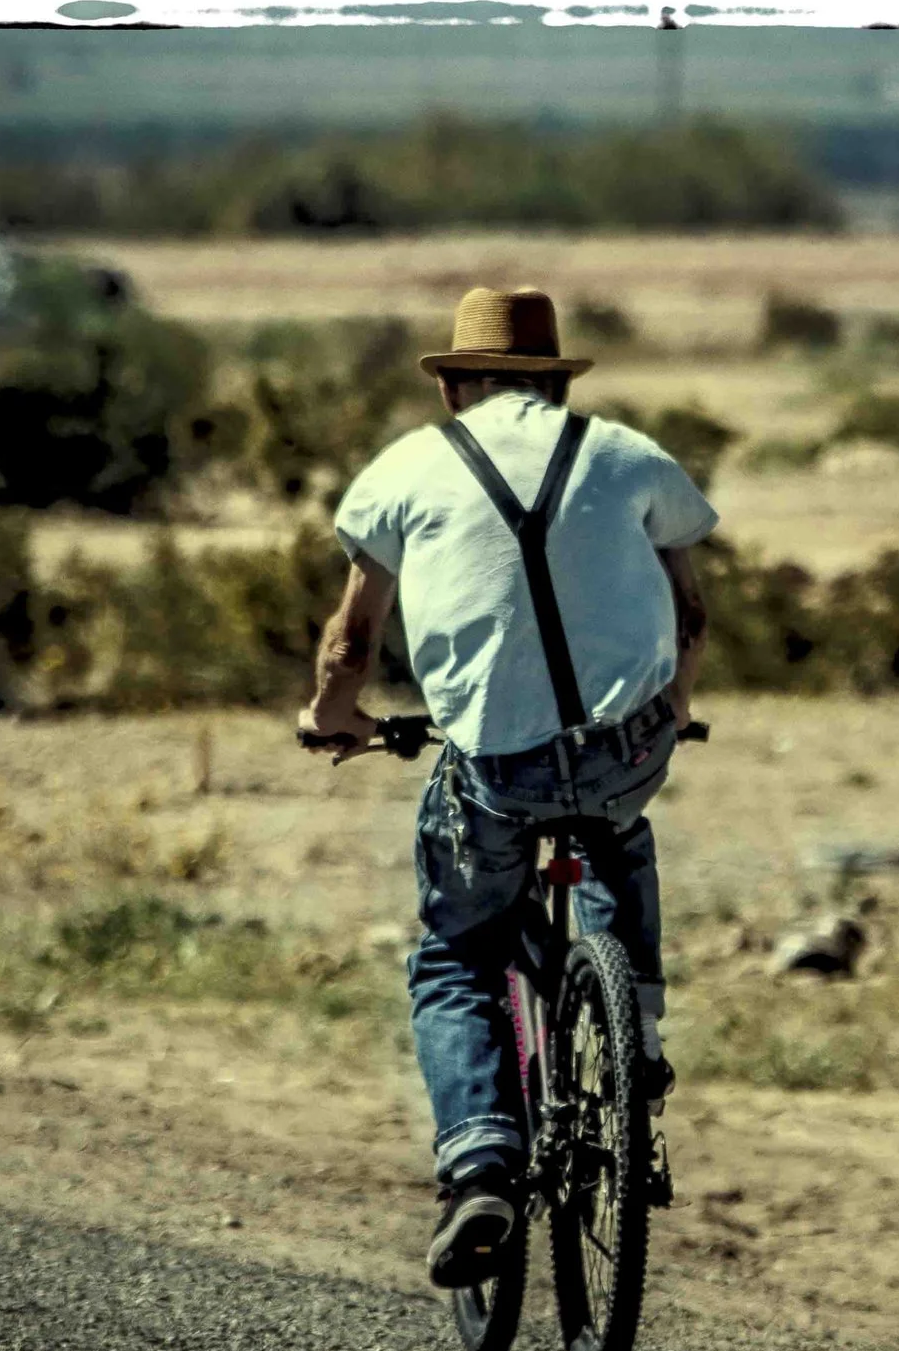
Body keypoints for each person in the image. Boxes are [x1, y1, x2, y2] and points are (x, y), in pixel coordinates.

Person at [297, 286, 716, 1289]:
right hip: (624, 750)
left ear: (455, 386)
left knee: (455, 951)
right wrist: (673, 705)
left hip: (495, 765)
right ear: (553, 381)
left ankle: (481, 1159)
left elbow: (352, 640)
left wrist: (333, 715)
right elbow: (691, 613)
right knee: (616, 827)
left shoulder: (404, 468)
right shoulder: (627, 454)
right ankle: (633, 1026)